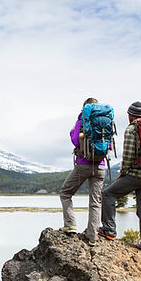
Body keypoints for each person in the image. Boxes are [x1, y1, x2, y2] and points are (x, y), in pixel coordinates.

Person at [98, 101, 141, 254]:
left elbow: (128, 156)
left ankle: (109, 230)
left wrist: (122, 174)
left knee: (108, 194)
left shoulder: (132, 129)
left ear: (130, 115)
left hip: (136, 175)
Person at [59, 97, 106, 245]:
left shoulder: (82, 121)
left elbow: (75, 141)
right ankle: (92, 236)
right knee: (95, 202)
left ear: (84, 108)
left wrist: (73, 132)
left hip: (83, 164)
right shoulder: (105, 122)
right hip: (100, 166)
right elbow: (109, 146)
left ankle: (70, 225)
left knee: (65, 193)